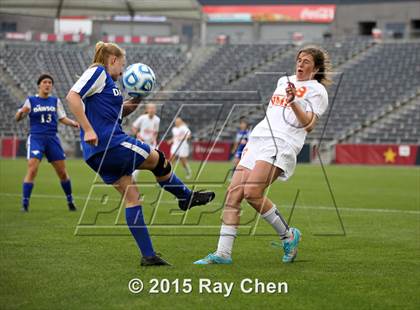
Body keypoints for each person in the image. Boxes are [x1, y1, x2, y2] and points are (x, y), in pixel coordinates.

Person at [66, 42, 215, 266]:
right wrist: (87, 128)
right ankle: (185, 197)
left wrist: (137, 98)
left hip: (97, 153)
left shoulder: (109, 87)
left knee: (132, 198)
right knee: (159, 159)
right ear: (112, 60)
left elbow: (120, 110)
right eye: (122, 65)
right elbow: (72, 96)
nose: (124, 71)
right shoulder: (98, 71)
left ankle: (148, 255)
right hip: (110, 144)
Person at [194, 45, 331, 265]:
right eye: (298, 59)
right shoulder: (283, 81)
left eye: (306, 61)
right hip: (259, 137)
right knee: (233, 194)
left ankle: (288, 235)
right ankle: (223, 254)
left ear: (315, 68)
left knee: (252, 192)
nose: (300, 64)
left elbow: (309, 125)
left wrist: (294, 101)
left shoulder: (317, 91)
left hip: (283, 142)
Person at [15, 74, 80, 212]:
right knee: (32, 169)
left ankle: (70, 201)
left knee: (62, 173)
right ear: (39, 85)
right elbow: (18, 118)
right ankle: (25, 204)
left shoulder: (55, 101)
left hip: (52, 139)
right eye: (45, 82)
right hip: (36, 138)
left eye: (50, 82)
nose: (47, 84)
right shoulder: (31, 100)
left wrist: (74, 123)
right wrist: (21, 112)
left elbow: (62, 118)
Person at [131, 103, 160, 181]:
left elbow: (156, 131)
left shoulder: (157, 119)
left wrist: (154, 139)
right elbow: (133, 127)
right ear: (147, 110)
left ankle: (161, 179)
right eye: (150, 108)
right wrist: (138, 135)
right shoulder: (142, 118)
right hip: (142, 142)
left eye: (153, 108)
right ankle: (133, 177)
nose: (151, 110)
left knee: (159, 161)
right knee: (138, 160)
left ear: (155, 110)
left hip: (151, 143)